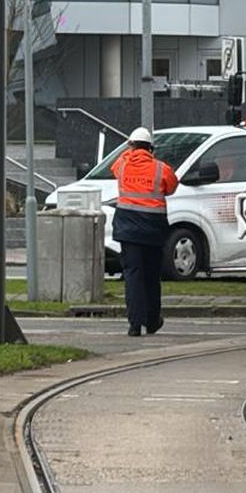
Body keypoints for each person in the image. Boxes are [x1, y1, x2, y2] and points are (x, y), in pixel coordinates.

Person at [112, 127, 179, 337]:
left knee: (133, 276)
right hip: (153, 229)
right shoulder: (161, 168)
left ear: (131, 146)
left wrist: (129, 149)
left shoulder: (123, 165)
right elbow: (172, 187)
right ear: (151, 148)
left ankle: (134, 324)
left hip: (128, 230)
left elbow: (115, 166)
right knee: (151, 276)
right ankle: (152, 321)